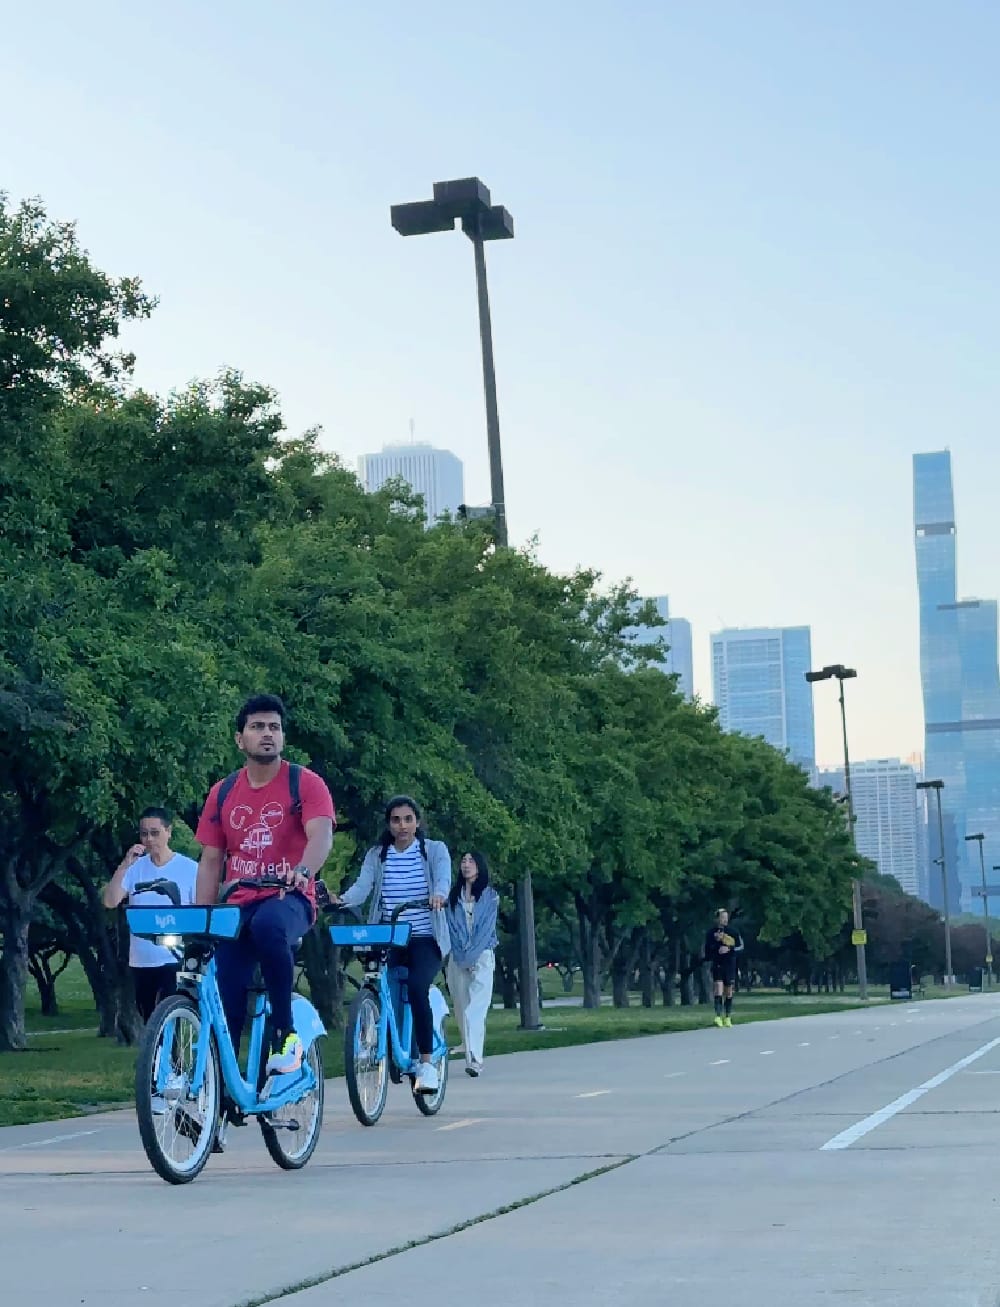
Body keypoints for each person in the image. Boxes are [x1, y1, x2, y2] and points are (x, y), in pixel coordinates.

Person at [194, 694, 335, 1079]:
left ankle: (285, 1034)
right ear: (240, 739)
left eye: (274, 727)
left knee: (269, 927)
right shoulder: (222, 792)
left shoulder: (305, 783)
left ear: (283, 737)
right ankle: (216, 1099)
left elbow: (320, 836)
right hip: (237, 903)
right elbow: (210, 860)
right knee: (226, 997)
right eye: (257, 727)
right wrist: (201, 920)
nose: (267, 734)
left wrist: (304, 870)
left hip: (288, 897)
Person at [334, 795, 451, 1093]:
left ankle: (426, 1063)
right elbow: (363, 887)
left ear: (418, 822)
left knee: (416, 987)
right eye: (396, 820)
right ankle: (380, 1043)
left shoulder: (433, 851)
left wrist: (437, 895)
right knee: (378, 985)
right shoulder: (378, 855)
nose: (402, 826)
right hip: (389, 936)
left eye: (408, 819)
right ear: (389, 824)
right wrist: (341, 899)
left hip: (425, 937)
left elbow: (443, 880)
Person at [103, 807, 199, 1022]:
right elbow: (110, 900)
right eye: (144, 833)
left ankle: (174, 1054)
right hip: (142, 958)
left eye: (155, 833)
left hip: (175, 956)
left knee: (170, 1016)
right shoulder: (135, 868)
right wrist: (125, 865)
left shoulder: (189, 869)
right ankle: (157, 1056)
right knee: (149, 1019)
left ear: (168, 832)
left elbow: (200, 908)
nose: (149, 839)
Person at [445, 851, 498, 1077]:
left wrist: (472, 958)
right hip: (457, 959)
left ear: (480, 866)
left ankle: (475, 1059)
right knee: (460, 1007)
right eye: (463, 861)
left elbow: (485, 931)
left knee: (475, 1009)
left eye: (471, 861)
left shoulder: (490, 896)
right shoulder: (452, 897)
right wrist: (461, 958)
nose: (466, 865)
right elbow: (451, 929)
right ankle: (469, 1048)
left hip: (482, 957)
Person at [705, 908, 744, 1027]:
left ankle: (727, 1016)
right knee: (718, 988)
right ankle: (717, 1016)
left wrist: (729, 949)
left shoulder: (733, 932)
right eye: (722, 917)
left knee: (728, 991)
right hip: (718, 963)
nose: (724, 920)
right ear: (717, 919)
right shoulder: (711, 933)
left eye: (726, 917)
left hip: (730, 964)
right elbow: (707, 950)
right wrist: (716, 946)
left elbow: (740, 947)